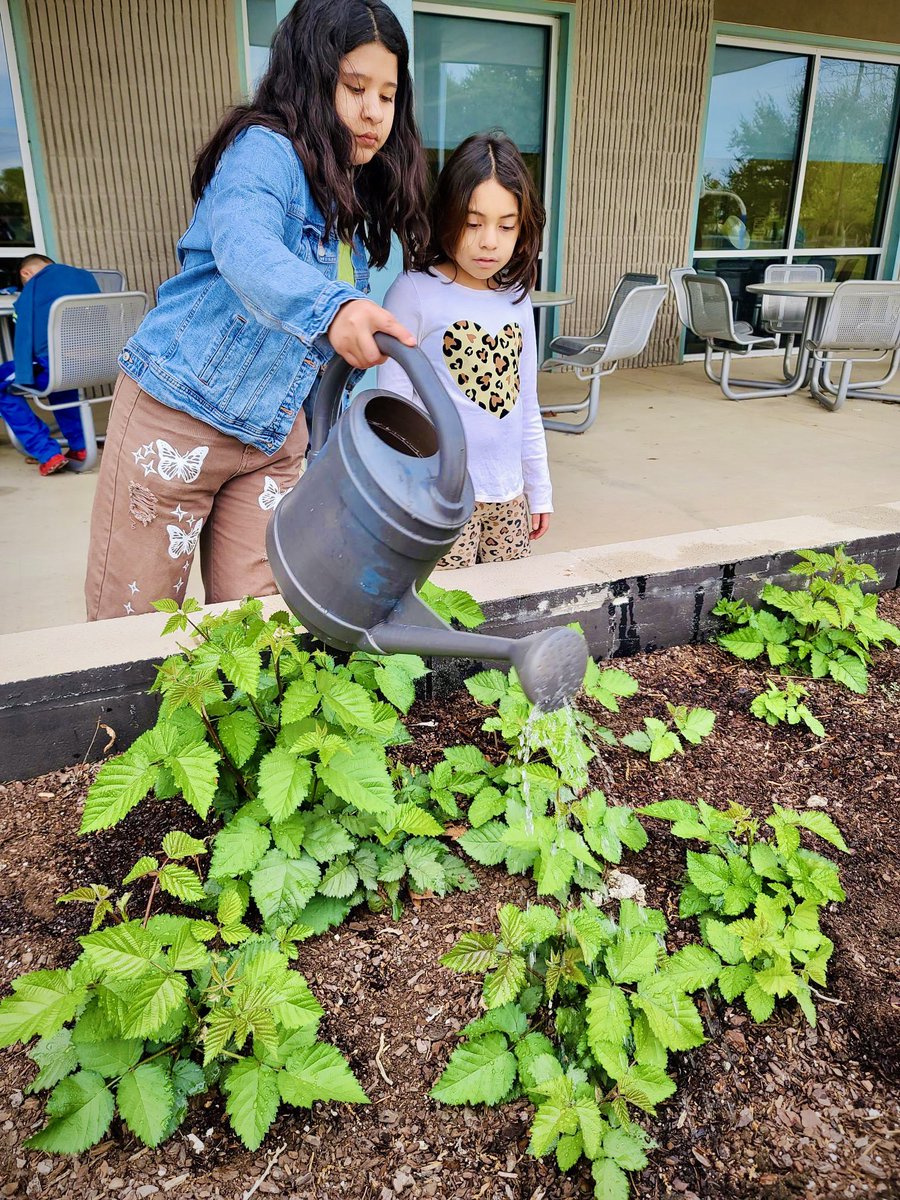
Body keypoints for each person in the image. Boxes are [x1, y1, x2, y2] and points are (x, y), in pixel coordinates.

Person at [85, 0, 427, 620]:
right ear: (307, 77)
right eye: (354, 87)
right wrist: (333, 309)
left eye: (388, 93)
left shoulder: (345, 194)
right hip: (177, 416)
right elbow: (246, 247)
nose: (374, 111)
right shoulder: (263, 153)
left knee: (260, 630)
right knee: (130, 628)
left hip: (274, 439)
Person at [377, 132, 552, 568]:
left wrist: (539, 488)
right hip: (441, 496)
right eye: (474, 223)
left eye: (506, 225)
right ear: (447, 215)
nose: (489, 241)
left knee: (509, 604)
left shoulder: (516, 298)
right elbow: (394, 408)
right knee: (447, 610)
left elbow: (526, 403)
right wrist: (402, 496)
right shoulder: (415, 292)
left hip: (508, 496)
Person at [0, 253, 99, 475]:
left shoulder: (34, 286)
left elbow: (24, 333)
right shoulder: (84, 278)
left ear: (26, 274)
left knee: (5, 381)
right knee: (61, 382)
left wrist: (24, 372)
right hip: (95, 364)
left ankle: (46, 452)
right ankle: (80, 447)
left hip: (56, 366)